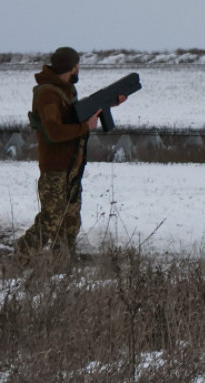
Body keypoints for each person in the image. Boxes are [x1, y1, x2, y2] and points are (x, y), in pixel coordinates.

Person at [14, 47, 125, 259]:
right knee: (50, 221)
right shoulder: (48, 94)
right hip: (55, 167)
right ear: (70, 68)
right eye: (76, 65)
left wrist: (110, 102)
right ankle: (18, 259)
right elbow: (53, 132)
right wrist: (86, 127)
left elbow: (73, 116)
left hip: (71, 166)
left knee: (70, 221)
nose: (78, 69)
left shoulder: (65, 90)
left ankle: (61, 266)